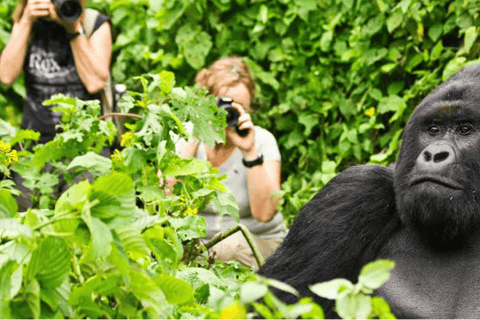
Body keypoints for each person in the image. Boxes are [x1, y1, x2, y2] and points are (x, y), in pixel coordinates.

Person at [179, 56, 287, 270]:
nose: (232, 114)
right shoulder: (184, 136)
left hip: (257, 244)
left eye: (242, 107)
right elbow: (164, 202)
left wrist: (249, 151)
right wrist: (197, 136)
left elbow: (264, 213)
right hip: (198, 247)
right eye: (225, 105)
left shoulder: (262, 141)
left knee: (229, 248)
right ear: (207, 102)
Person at [0, 0, 112, 143]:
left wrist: (73, 28)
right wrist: (26, 21)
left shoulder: (94, 23)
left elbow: (94, 83)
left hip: (86, 140)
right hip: (35, 139)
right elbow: (6, 76)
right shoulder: (28, 22)